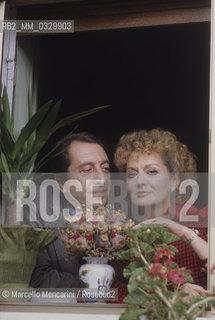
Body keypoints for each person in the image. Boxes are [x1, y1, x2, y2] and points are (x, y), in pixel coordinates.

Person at [113, 128, 208, 303]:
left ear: (174, 180)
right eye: (132, 173)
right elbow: (107, 293)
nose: (140, 181)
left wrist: (185, 233)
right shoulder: (123, 236)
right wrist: (169, 297)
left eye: (151, 171)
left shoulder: (203, 224)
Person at [27, 132, 111, 289]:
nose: (101, 178)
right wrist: (94, 286)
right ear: (60, 182)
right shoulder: (36, 208)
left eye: (106, 168)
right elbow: (36, 277)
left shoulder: (118, 214)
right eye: (87, 170)